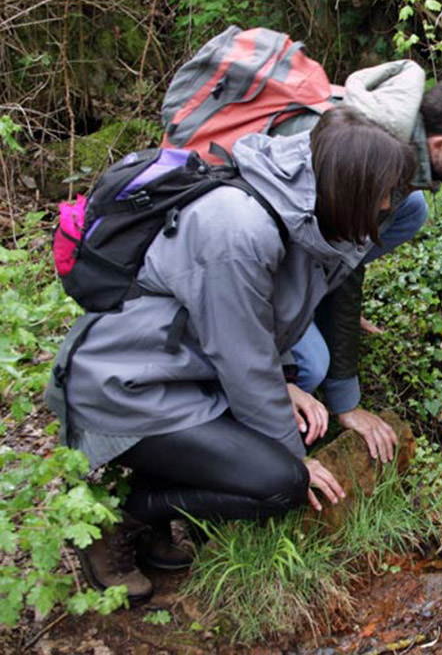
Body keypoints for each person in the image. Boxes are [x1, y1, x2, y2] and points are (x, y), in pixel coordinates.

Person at [45, 106, 413, 602]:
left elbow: (262, 326)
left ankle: (159, 517)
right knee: (280, 483)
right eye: (382, 194)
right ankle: (123, 518)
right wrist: (293, 460)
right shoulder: (239, 229)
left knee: (290, 438)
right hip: (127, 390)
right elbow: (243, 362)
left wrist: (287, 383)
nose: (389, 204)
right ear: (347, 187)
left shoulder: (303, 209)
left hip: (185, 377)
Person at [278, 65, 442, 421]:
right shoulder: (374, 157)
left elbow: (347, 253)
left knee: (412, 210)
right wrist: (346, 402)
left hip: (300, 240)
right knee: (310, 367)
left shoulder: (406, 144)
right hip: (250, 262)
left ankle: (313, 298)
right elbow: (347, 254)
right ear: (441, 145)